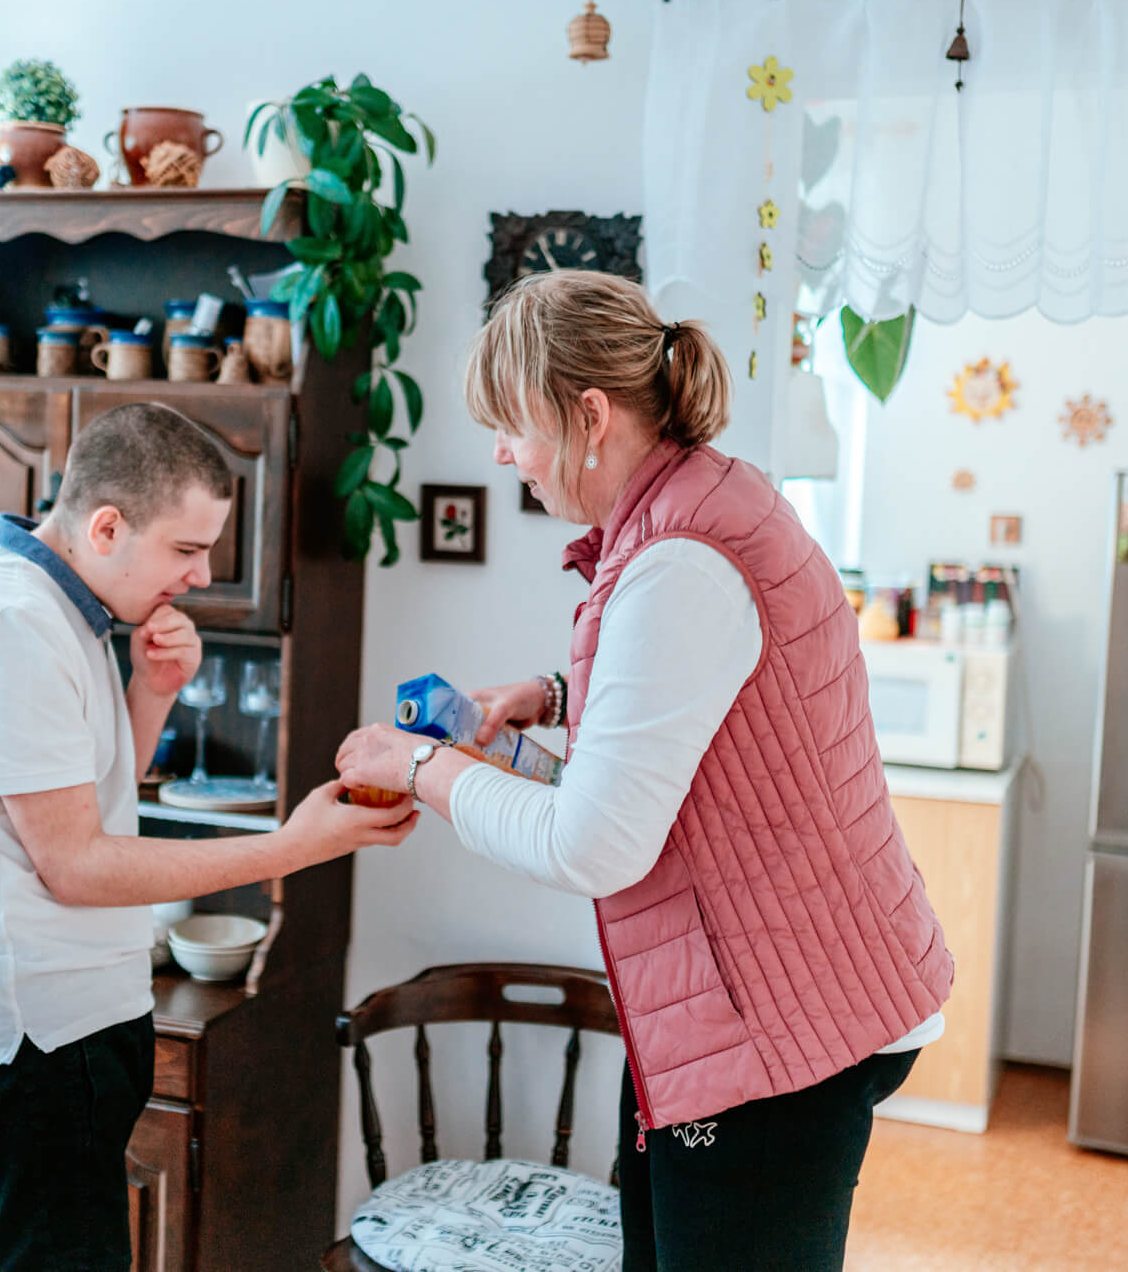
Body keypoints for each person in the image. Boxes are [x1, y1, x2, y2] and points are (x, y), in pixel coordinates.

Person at [336, 271, 951, 1272]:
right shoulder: (708, 501)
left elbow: (590, 842)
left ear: (589, 414)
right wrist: (550, 695)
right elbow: (723, 704)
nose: (499, 453)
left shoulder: (678, 561)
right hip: (765, 996)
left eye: (511, 426)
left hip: (774, 1021)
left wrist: (419, 767)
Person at [0, 402, 417, 1272]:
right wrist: (295, 847)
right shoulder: (10, 621)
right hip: (24, 1049)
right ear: (106, 526)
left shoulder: (66, 604)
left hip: (64, 1031)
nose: (204, 575)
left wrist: (154, 689)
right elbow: (76, 864)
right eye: (186, 549)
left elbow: (85, 806)